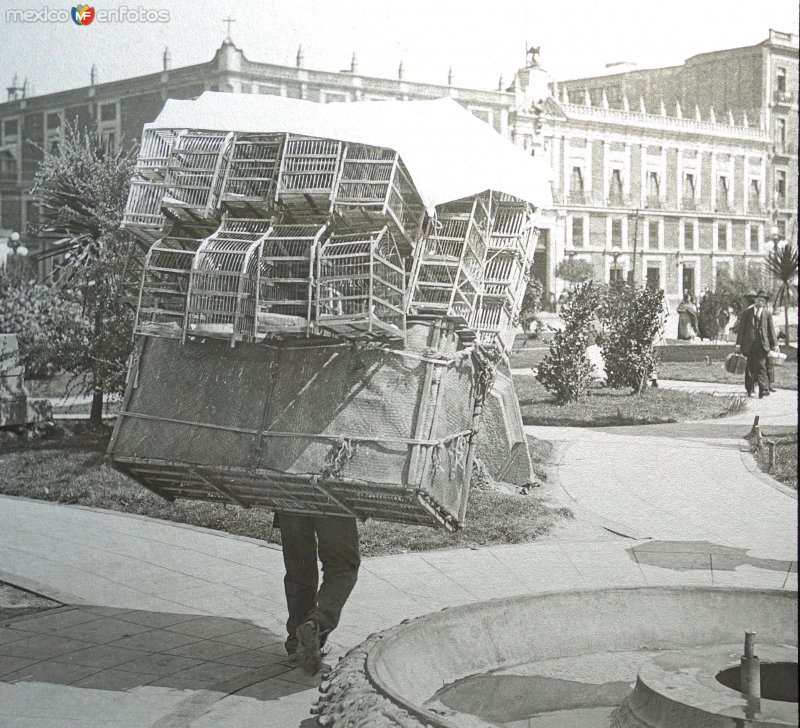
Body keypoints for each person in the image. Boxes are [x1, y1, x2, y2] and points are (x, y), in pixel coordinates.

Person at [276, 511, 361, 674]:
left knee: (299, 570)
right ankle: (317, 624)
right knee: (343, 566)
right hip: (329, 497)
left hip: (287, 495)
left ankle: (296, 643)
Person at [736, 289, 778, 399]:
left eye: (763, 301)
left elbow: (771, 330)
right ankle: (749, 388)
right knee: (749, 367)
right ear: (755, 300)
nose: (760, 303)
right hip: (749, 345)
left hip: (762, 345)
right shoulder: (747, 313)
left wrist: (776, 345)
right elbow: (741, 330)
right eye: (759, 300)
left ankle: (763, 389)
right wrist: (738, 344)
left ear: (765, 303)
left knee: (761, 366)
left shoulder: (767, 314)